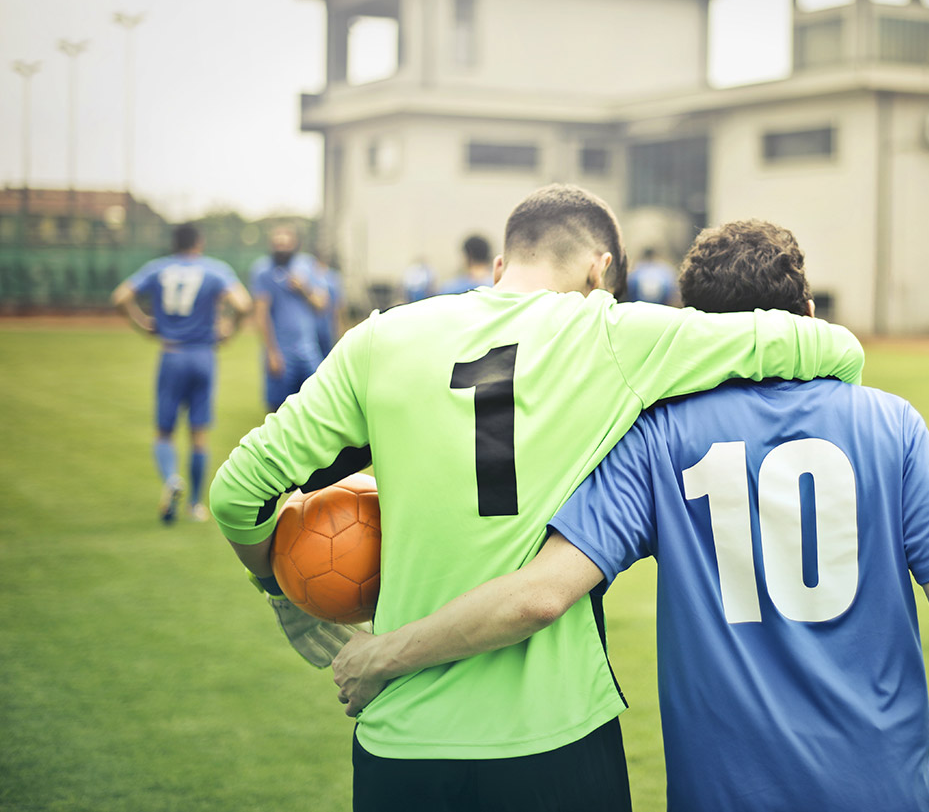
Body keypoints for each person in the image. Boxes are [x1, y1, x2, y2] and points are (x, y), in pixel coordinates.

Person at [332, 219, 929, 812]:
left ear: (690, 330)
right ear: (810, 316)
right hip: (882, 788)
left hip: (725, 794)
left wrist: (384, 656)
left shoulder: (658, 436)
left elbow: (540, 592)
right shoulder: (894, 424)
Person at [210, 185, 865, 812]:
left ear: (501, 264)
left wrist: (276, 585)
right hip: (555, 734)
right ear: (599, 269)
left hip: (402, 733)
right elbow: (830, 347)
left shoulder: (379, 341)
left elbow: (238, 491)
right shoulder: (608, 332)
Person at [111, 222, 252, 524]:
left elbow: (120, 296)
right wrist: (230, 330)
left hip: (172, 354)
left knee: (164, 431)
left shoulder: (158, 268)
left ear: (174, 244)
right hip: (204, 356)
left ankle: (172, 479)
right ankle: (195, 505)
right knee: (199, 434)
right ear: (199, 243)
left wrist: (142, 322)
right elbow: (243, 303)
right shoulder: (215, 270)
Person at [250, 224, 328, 412]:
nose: (281, 248)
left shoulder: (307, 266)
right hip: (281, 352)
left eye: (286, 243)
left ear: (295, 244)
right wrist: (271, 352)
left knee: (315, 405)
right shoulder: (263, 271)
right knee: (278, 409)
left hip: (308, 350)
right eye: (277, 244)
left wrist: (304, 288)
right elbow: (261, 314)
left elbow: (321, 305)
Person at [313, 249, 344, 357]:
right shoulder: (309, 276)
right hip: (313, 326)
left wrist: (338, 329)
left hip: (328, 325)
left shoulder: (333, 277)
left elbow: (337, 306)